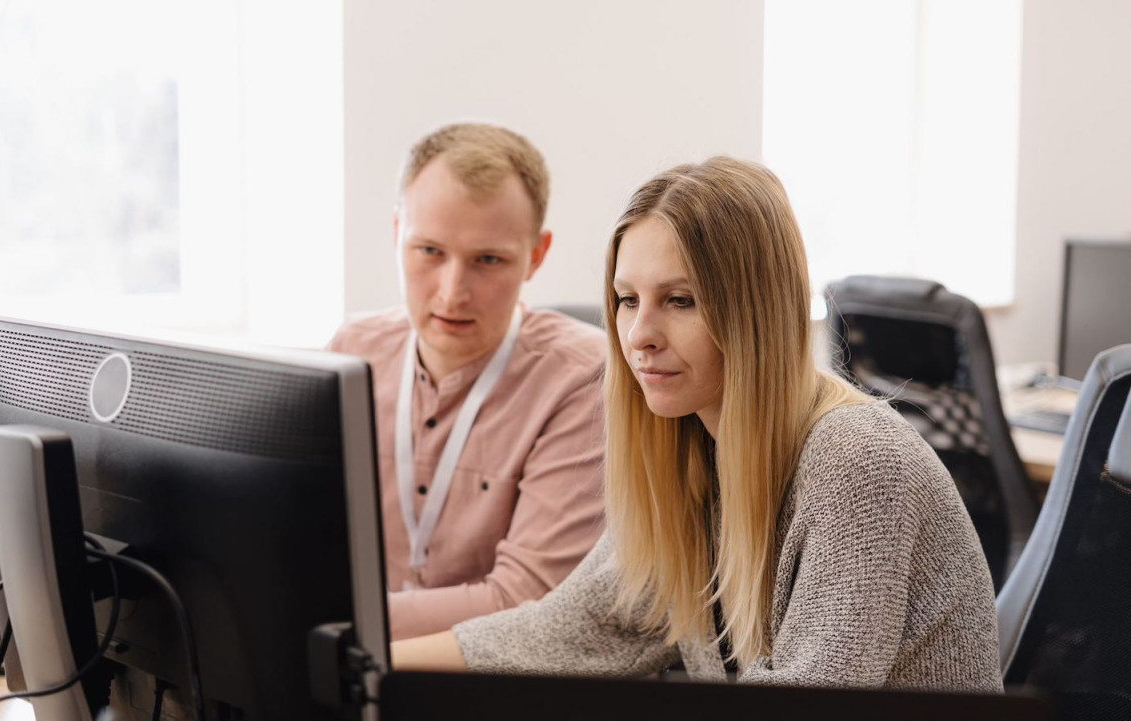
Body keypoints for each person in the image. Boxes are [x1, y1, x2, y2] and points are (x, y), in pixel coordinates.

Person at [391, 156, 1004, 691]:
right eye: (628, 301)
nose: (638, 337)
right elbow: (572, 630)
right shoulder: (690, 449)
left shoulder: (855, 463)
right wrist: (371, 666)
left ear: (754, 313)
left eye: (680, 301)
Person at [330, 123, 606, 641]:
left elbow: (525, 601)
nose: (452, 292)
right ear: (396, 235)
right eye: (429, 252)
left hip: (491, 686)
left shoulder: (583, 379)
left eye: (487, 260)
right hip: (349, 673)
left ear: (536, 255)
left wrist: (330, 617)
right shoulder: (352, 351)